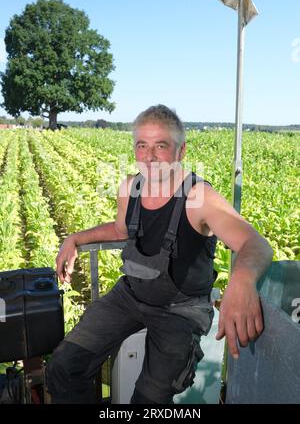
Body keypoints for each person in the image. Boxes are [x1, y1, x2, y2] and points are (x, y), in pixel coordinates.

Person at [46, 104, 273, 404]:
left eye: (161, 146)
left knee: (149, 399)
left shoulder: (198, 197)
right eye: (142, 145)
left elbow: (255, 244)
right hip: (130, 295)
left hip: (180, 309)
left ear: (180, 152)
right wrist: (74, 239)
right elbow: (120, 230)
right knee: (63, 366)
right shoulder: (130, 187)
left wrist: (242, 280)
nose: (150, 156)